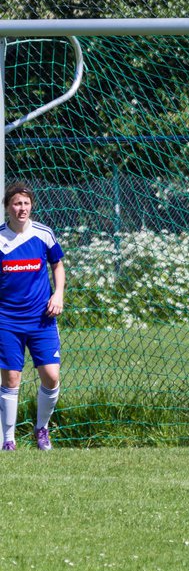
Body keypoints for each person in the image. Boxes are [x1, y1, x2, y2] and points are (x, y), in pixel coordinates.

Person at [0, 182, 65, 452]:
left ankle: (42, 429)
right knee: (11, 378)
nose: (21, 208)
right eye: (16, 203)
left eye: (26, 203)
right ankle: (8, 439)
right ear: (7, 207)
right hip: (7, 320)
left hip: (42, 319)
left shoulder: (44, 234)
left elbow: (57, 264)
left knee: (51, 376)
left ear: (31, 206)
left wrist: (58, 293)